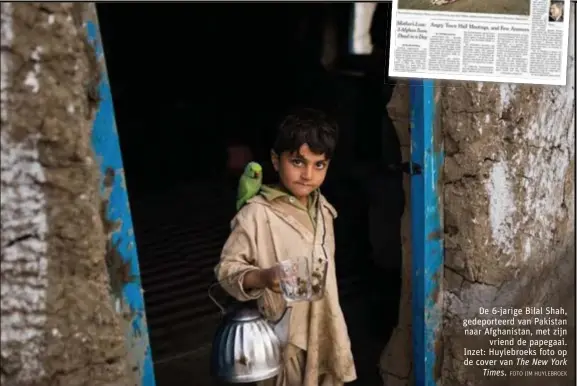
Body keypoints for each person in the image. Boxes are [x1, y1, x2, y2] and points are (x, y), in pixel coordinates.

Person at [215, 108, 357, 386]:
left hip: (327, 331)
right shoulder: (256, 214)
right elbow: (227, 271)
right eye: (297, 162)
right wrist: (265, 277)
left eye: (319, 165)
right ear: (275, 161)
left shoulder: (324, 210)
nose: (308, 175)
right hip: (284, 340)